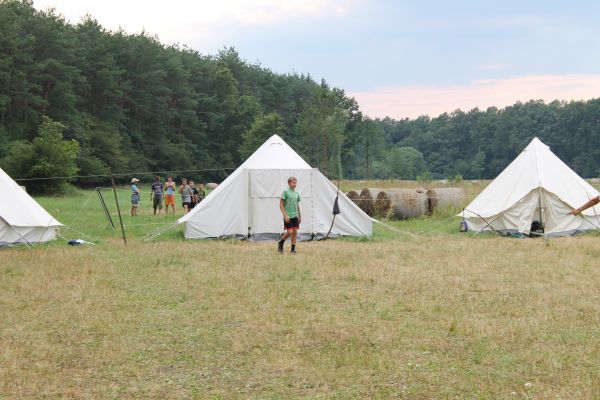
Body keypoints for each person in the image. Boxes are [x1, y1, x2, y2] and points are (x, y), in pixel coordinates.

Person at [278, 176, 301, 254]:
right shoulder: (285, 192)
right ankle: (281, 242)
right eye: (293, 183)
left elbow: (297, 205)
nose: (294, 184)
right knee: (290, 232)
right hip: (288, 216)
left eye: (295, 183)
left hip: (295, 216)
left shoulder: (297, 193)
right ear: (289, 183)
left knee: (295, 232)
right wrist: (285, 215)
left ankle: (293, 250)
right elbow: (281, 204)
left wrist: (299, 216)